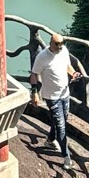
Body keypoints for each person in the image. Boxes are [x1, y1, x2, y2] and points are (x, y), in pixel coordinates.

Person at [31, 30, 79, 159]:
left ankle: (50, 140)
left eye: (61, 43)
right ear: (50, 43)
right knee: (61, 126)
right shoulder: (42, 57)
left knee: (62, 119)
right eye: (57, 44)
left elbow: (67, 66)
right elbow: (34, 74)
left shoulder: (63, 51)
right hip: (51, 96)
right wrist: (34, 92)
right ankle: (66, 156)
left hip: (64, 93)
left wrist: (73, 74)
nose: (59, 46)